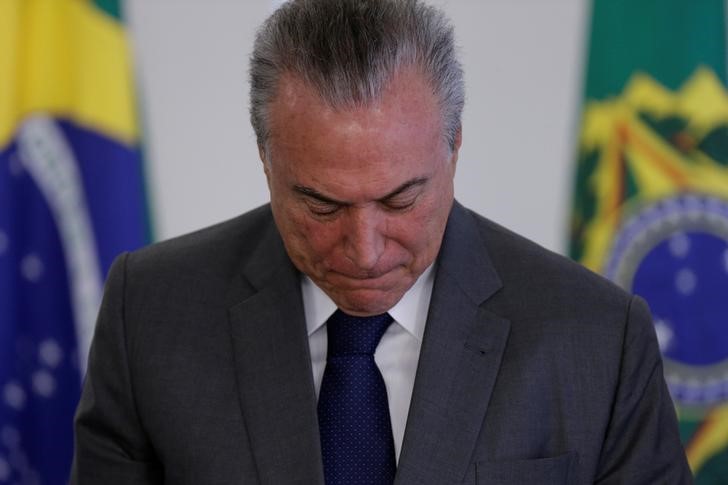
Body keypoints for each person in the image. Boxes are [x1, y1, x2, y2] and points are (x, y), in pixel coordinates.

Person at [71, 0, 692, 483]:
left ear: (454, 146)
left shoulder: (598, 338)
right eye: (321, 203)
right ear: (264, 157)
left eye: (401, 200)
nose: (364, 251)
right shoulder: (148, 313)